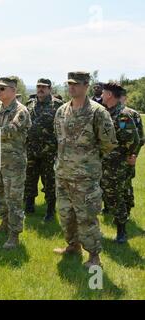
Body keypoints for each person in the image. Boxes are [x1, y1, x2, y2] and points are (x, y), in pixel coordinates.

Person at [53, 72, 117, 268]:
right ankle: (73, 246)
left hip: (85, 177)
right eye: (69, 84)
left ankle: (94, 257)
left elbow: (108, 143)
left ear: (86, 86)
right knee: (65, 214)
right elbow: (58, 138)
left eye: (76, 84)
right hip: (63, 174)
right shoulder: (62, 110)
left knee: (87, 217)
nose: (72, 87)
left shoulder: (98, 112)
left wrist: (88, 161)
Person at [0, 76, 31, 249]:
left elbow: (11, 130)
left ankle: (14, 235)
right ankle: (4, 223)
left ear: (13, 91)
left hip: (14, 163)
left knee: (14, 199)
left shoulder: (21, 111)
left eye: (2, 89)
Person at [100, 82, 139, 244]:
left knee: (115, 196)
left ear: (109, 95)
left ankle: (121, 231)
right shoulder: (104, 113)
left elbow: (134, 139)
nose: (101, 95)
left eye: (103, 93)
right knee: (107, 195)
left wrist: (129, 155)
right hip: (103, 163)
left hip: (116, 165)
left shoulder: (122, 115)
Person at [24, 78, 63, 221]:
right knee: (30, 179)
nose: (40, 89)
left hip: (50, 151)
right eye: (38, 86)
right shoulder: (30, 104)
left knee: (50, 181)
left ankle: (50, 211)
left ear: (50, 89)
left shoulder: (58, 105)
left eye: (44, 87)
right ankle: (29, 206)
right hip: (32, 150)